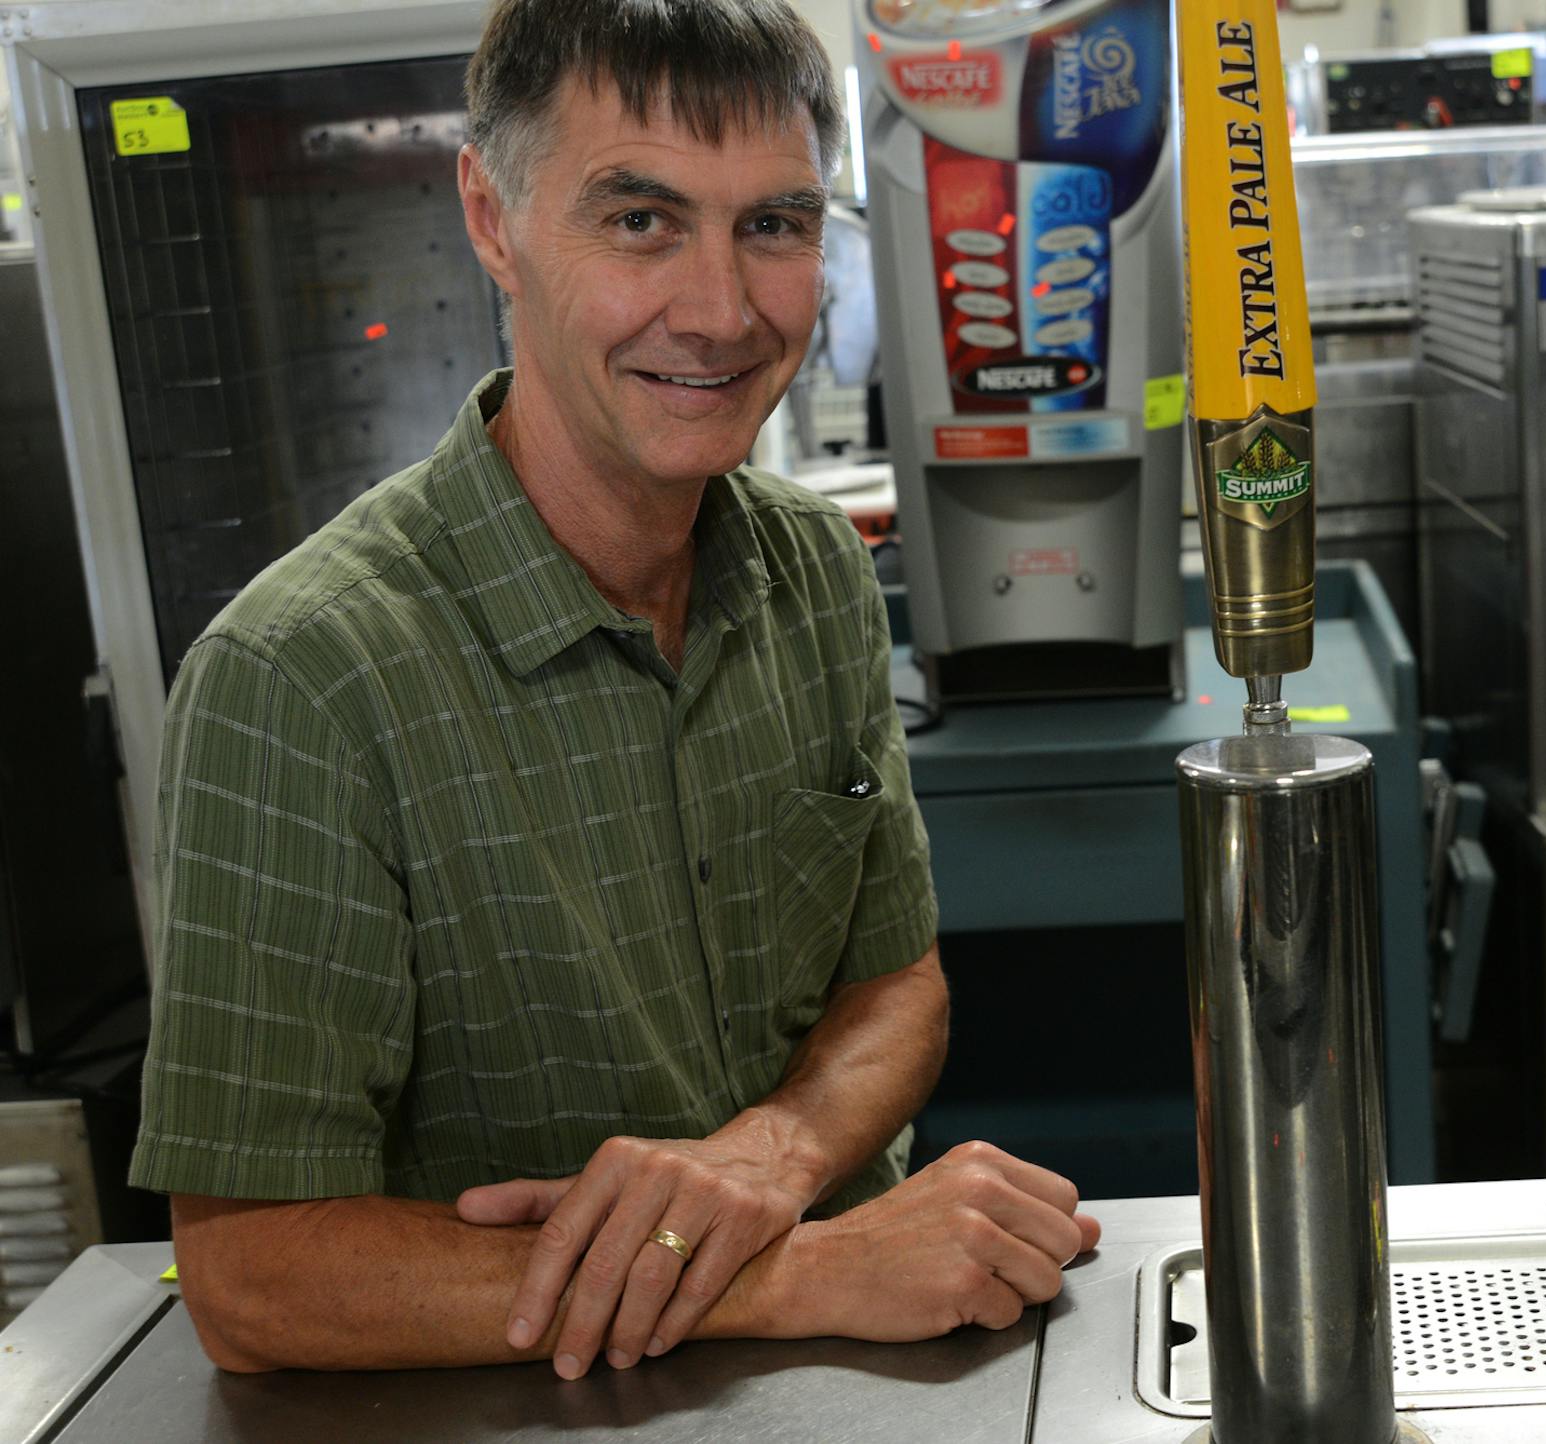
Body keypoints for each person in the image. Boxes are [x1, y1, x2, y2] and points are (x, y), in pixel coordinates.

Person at [129, 0, 1097, 1378]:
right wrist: (776, 1273)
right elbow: (253, 1279)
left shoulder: (815, 567)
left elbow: (896, 985)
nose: (720, 313)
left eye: (773, 225)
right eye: (640, 221)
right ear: (492, 217)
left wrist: (770, 1153)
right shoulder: (301, 678)